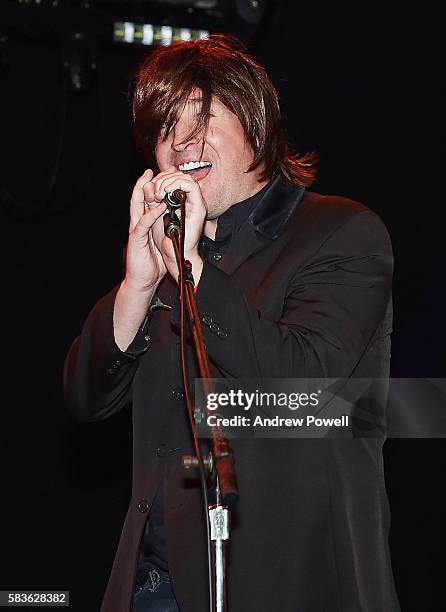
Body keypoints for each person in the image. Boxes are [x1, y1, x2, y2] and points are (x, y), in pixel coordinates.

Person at [64, 34, 400, 612]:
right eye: (166, 129)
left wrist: (191, 270)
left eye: (200, 120)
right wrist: (137, 284)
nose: (180, 144)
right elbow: (84, 398)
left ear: (255, 125)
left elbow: (307, 384)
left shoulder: (341, 233)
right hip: (156, 586)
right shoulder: (169, 256)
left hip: (291, 583)